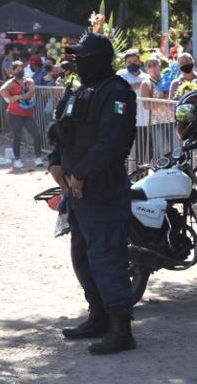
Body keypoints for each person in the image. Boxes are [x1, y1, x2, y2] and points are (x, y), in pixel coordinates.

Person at [48, 32, 138, 355]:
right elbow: (61, 130)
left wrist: (82, 173)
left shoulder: (117, 93)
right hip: (76, 190)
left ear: (99, 58)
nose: (78, 62)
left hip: (103, 190)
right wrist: (55, 163)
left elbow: (111, 143)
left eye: (84, 56)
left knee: (107, 258)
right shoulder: (79, 90)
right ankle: (98, 316)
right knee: (83, 257)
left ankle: (120, 328)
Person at [0, 61, 44, 169]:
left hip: (27, 113)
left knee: (36, 134)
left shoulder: (29, 81)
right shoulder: (11, 82)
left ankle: (38, 157)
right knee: (17, 136)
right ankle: (17, 160)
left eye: (22, 69)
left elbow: (31, 93)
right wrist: (9, 99)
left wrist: (17, 97)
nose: (20, 71)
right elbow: (2, 90)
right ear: (13, 71)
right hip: (14, 114)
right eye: (18, 70)